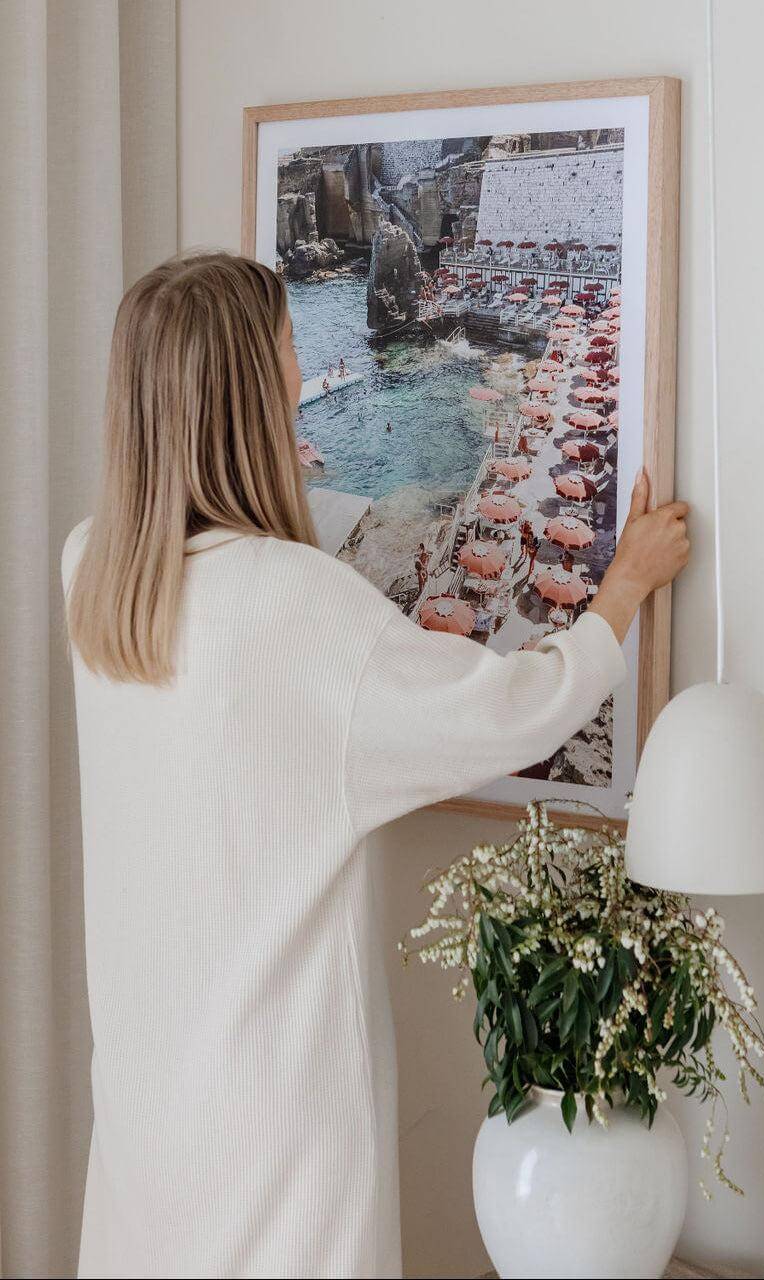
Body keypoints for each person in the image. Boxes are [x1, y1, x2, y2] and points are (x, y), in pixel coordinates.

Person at [62, 251, 690, 1280]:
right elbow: (513, 710)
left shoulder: (94, 572)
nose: (302, 374)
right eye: (288, 356)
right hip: (277, 1118)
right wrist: (620, 591)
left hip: (148, 1099)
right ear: (249, 395)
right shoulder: (295, 603)